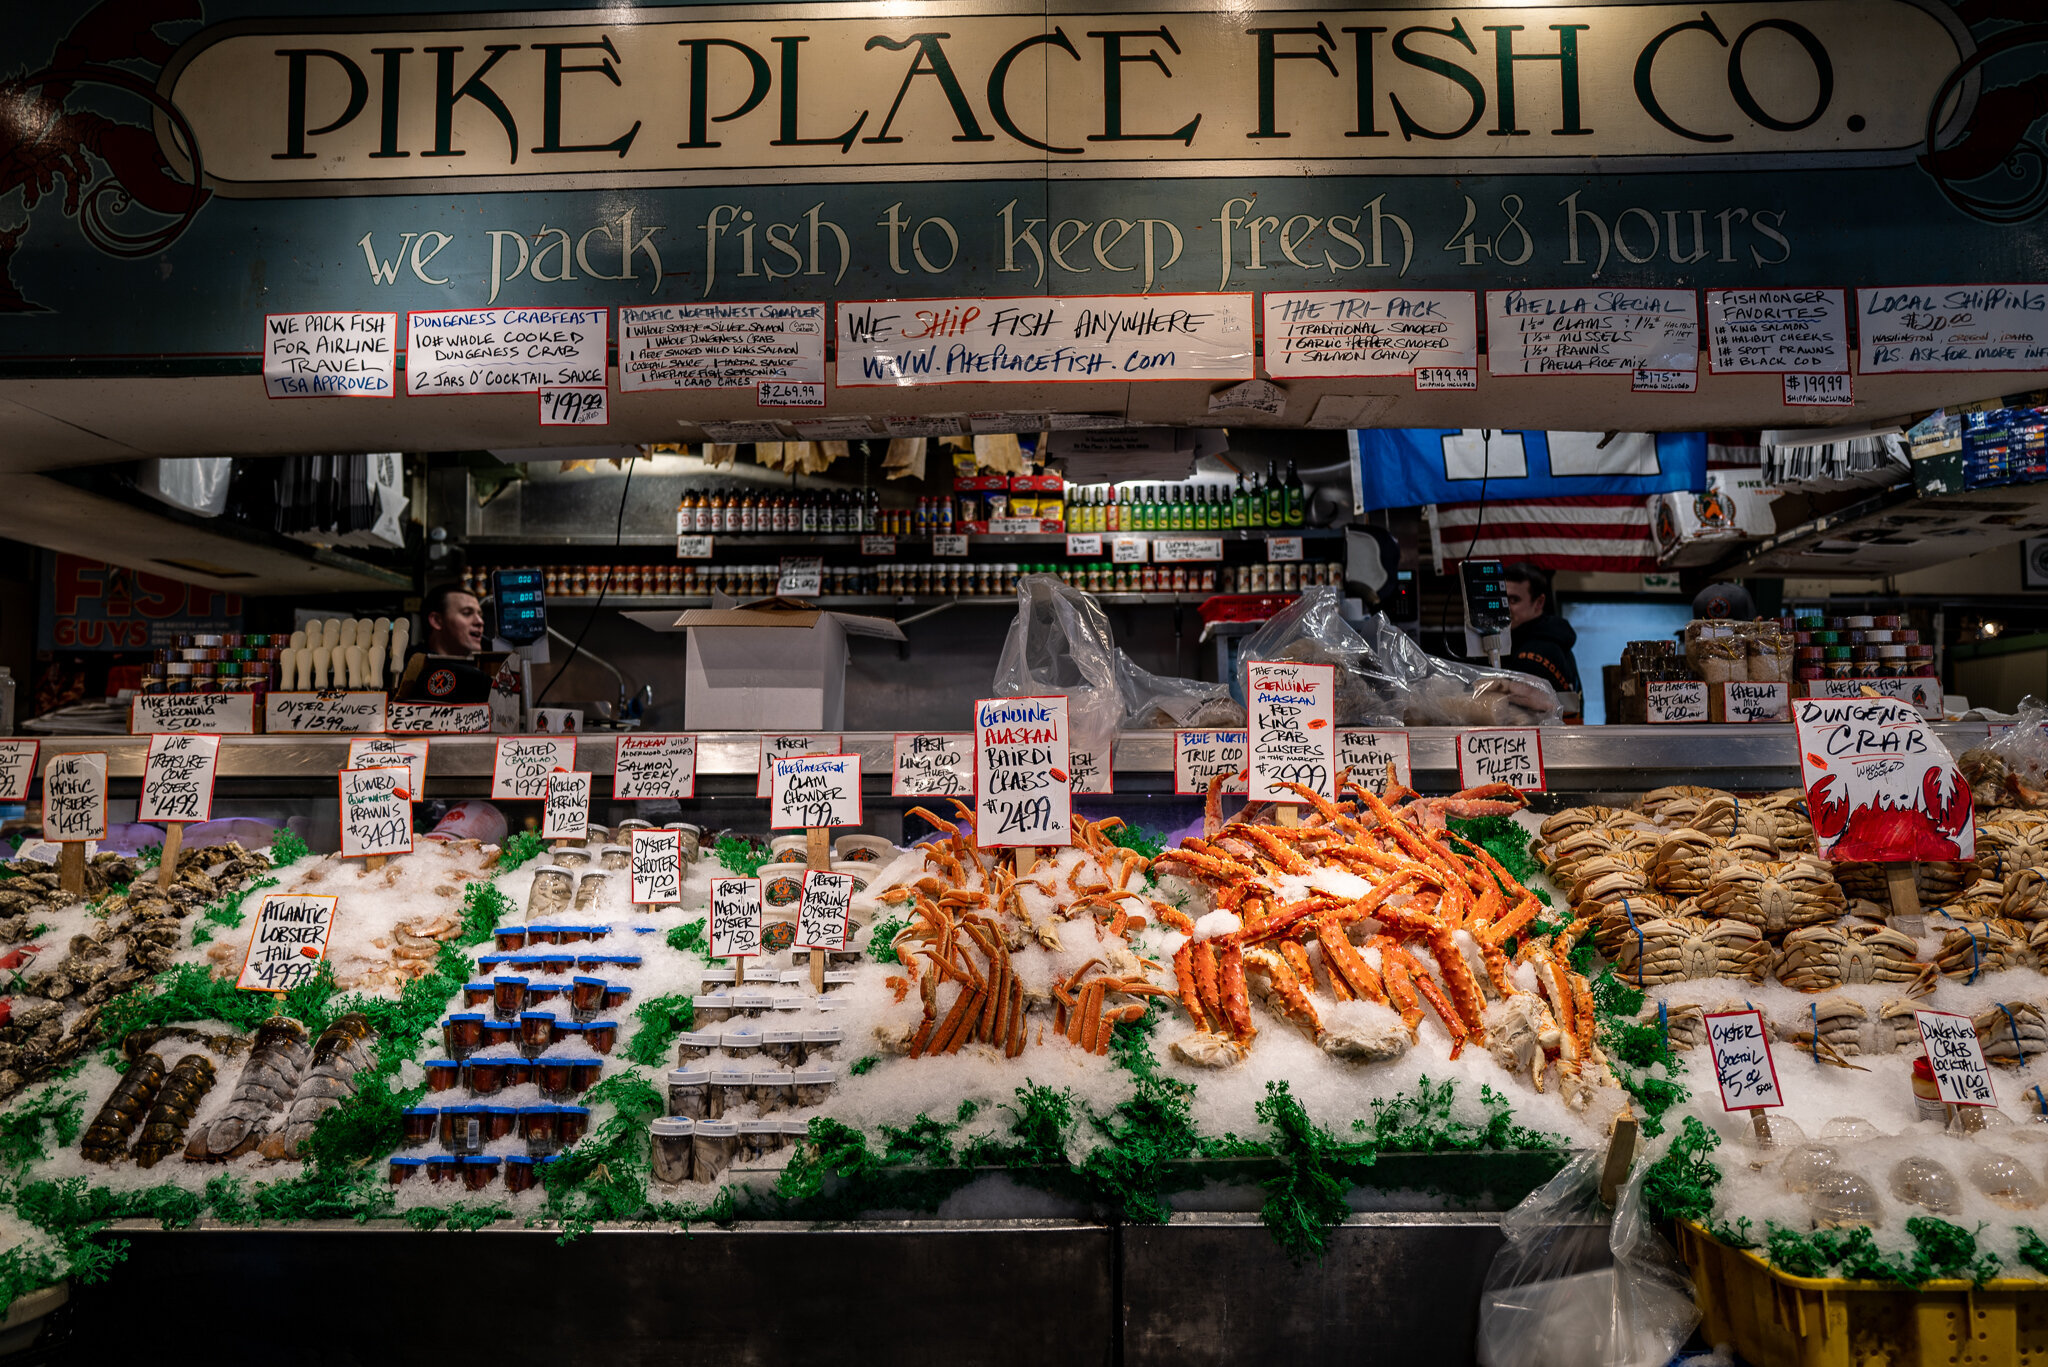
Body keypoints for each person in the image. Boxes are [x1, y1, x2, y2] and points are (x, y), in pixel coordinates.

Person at [398, 583, 494, 703]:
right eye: (467, 613)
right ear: (437, 621)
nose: (480, 622)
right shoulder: (404, 668)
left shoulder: (490, 664)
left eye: (480, 615)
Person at [1499, 562, 1583, 697]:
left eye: (1514, 600)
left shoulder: (1534, 654)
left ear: (1539, 602)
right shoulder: (1552, 637)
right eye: (1502, 600)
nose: (1505, 608)